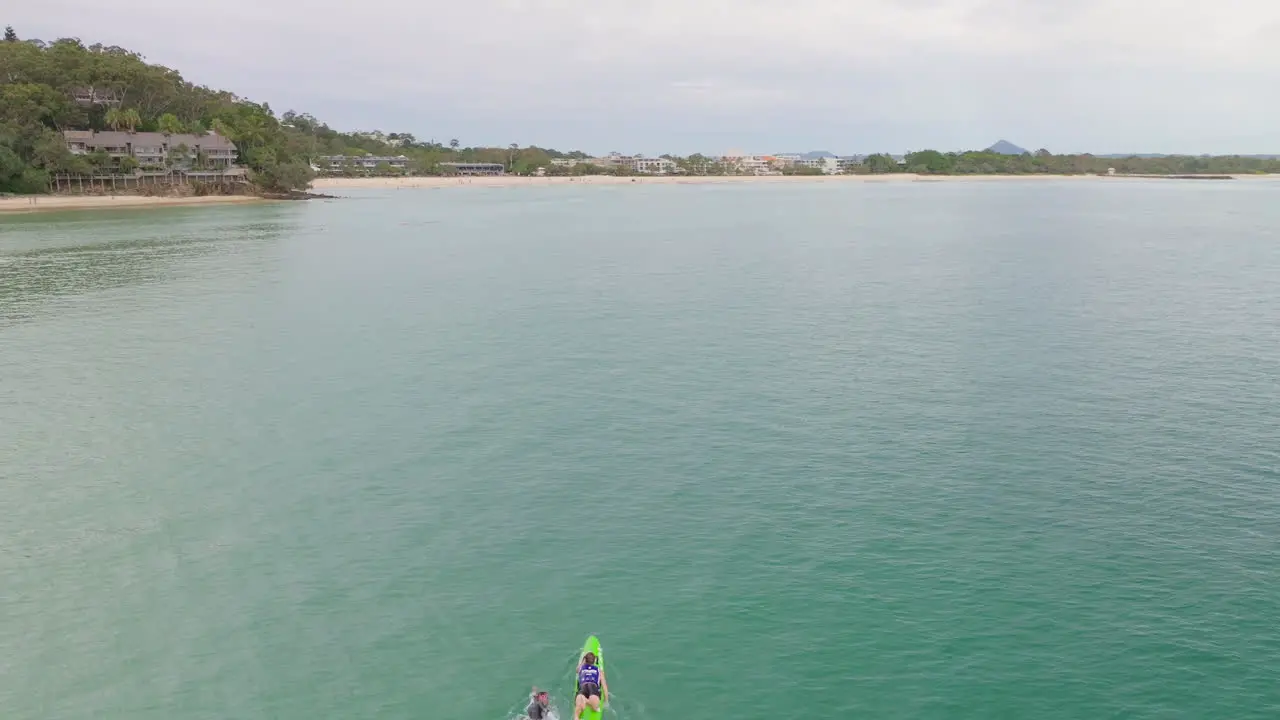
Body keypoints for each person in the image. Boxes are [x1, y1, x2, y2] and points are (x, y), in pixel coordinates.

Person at [573, 652, 607, 720]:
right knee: (595, 708)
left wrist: (582, 662)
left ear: (585, 660)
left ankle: (584, 701)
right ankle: (588, 701)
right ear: (594, 661)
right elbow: (604, 686)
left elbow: (576, 670)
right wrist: (606, 700)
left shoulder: (580, 668)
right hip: (593, 687)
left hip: (583, 686)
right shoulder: (599, 671)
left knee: (576, 715)